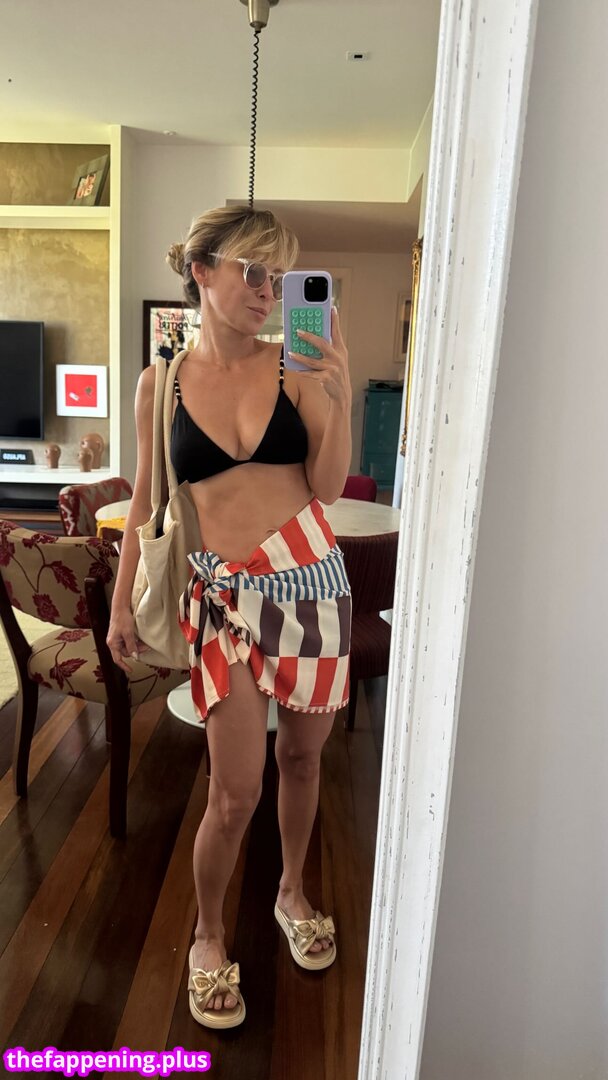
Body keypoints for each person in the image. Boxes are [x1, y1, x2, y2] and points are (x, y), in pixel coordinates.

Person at [107, 205, 353, 1029]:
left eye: (276, 279)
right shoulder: (162, 383)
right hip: (221, 604)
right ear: (201, 270)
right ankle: (208, 936)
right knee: (234, 791)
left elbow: (326, 487)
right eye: (251, 272)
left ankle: (291, 891)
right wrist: (121, 604)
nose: (265, 291)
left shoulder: (297, 366)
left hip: (312, 587)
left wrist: (339, 396)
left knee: (304, 763)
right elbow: (146, 501)